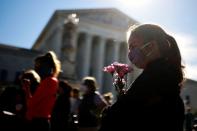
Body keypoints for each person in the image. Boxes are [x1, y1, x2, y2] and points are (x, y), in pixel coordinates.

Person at [99, 24, 185, 131]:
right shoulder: (167, 76)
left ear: (151, 46)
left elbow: (118, 117)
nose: (129, 53)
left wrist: (107, 112)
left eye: (133, 46)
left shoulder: (152, 79)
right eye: (129, 48)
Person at [24, 51, 61, 131]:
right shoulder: (51, 81)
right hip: (40, 121)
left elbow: (30, 104)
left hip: (38, 123)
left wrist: (27, 88)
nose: (35, 69)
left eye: (37, 65)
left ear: (45, 66)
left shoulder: (48, 81)